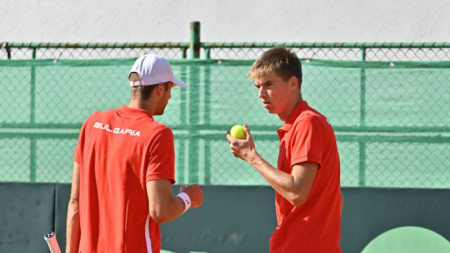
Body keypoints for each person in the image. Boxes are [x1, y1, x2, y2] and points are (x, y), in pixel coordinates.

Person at [66, 54, 203, 253]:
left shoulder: (92, 122)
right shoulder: (158, 134)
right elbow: (160, 211)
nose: (170, 97)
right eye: (170, 89)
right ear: (160, 88)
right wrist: (188, 198)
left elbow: (74, 201)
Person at [226, 47, 343, 252]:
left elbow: (297, 192)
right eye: (258, 87)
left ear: (292, 83)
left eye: (269, 84)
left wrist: (253, 157)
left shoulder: (307, 123)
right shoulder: (298, 124)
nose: (261, 94)